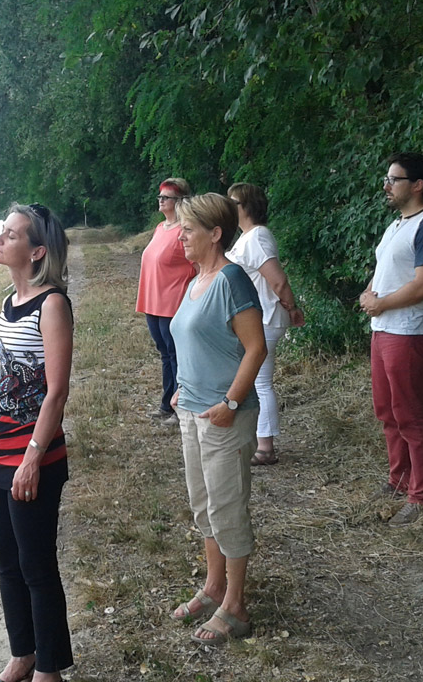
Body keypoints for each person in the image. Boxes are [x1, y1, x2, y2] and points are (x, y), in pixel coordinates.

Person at [0, 204, 74, 682]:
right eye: (2, 231)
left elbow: (57, 391)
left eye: (11, 235)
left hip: (32, 458)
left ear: (36, 252)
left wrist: (32, 458)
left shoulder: (52, 305)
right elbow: (3, 373)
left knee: (36, 565)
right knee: (7, 562)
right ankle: (22, 653)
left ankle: (49, 668)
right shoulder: (9, 302)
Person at [167, 193, 267, 645]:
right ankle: (213, 588)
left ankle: (236, 606)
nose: (181, 237)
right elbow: (196, 343)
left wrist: (231, 402)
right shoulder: (197, 279)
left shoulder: (232, 280)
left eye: (188, 230)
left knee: (227, 508)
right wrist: (181, 388)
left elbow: (255, 348)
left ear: (215, 233)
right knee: (203, 505)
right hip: (192, 410)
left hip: (225, 417)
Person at [359, 152, 423, 526]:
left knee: (410, 414)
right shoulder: (398, 224)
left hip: (409, 331)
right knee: (387, 410)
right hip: (384, 330)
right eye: (386, 179)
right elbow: (385, 270)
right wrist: (370, 293)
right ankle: (400, 479)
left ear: (418, 185)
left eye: (393, 179)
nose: (386, 186)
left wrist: (381, 303)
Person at [226, 182, 306, 466]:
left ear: (247, 207)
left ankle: (265, 447)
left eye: (233, 203)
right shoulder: (247, 237)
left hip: (265, 319)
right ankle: (256, 440)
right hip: (255, 319)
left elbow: (278, 281)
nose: (228, 208)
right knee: (255, 381)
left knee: (260, 382)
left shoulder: (257, 237)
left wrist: (292, 308)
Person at [135, 177, 197, 425]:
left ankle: (182, 407)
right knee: (165, 353)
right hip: (153, 299)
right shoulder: (161, 228)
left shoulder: (186, 230)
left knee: (176, 354)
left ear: (179, 201)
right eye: (159, 196)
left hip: (173, 300)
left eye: (166, 197)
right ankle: (167, 404)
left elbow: (198, 264)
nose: (160, 200)